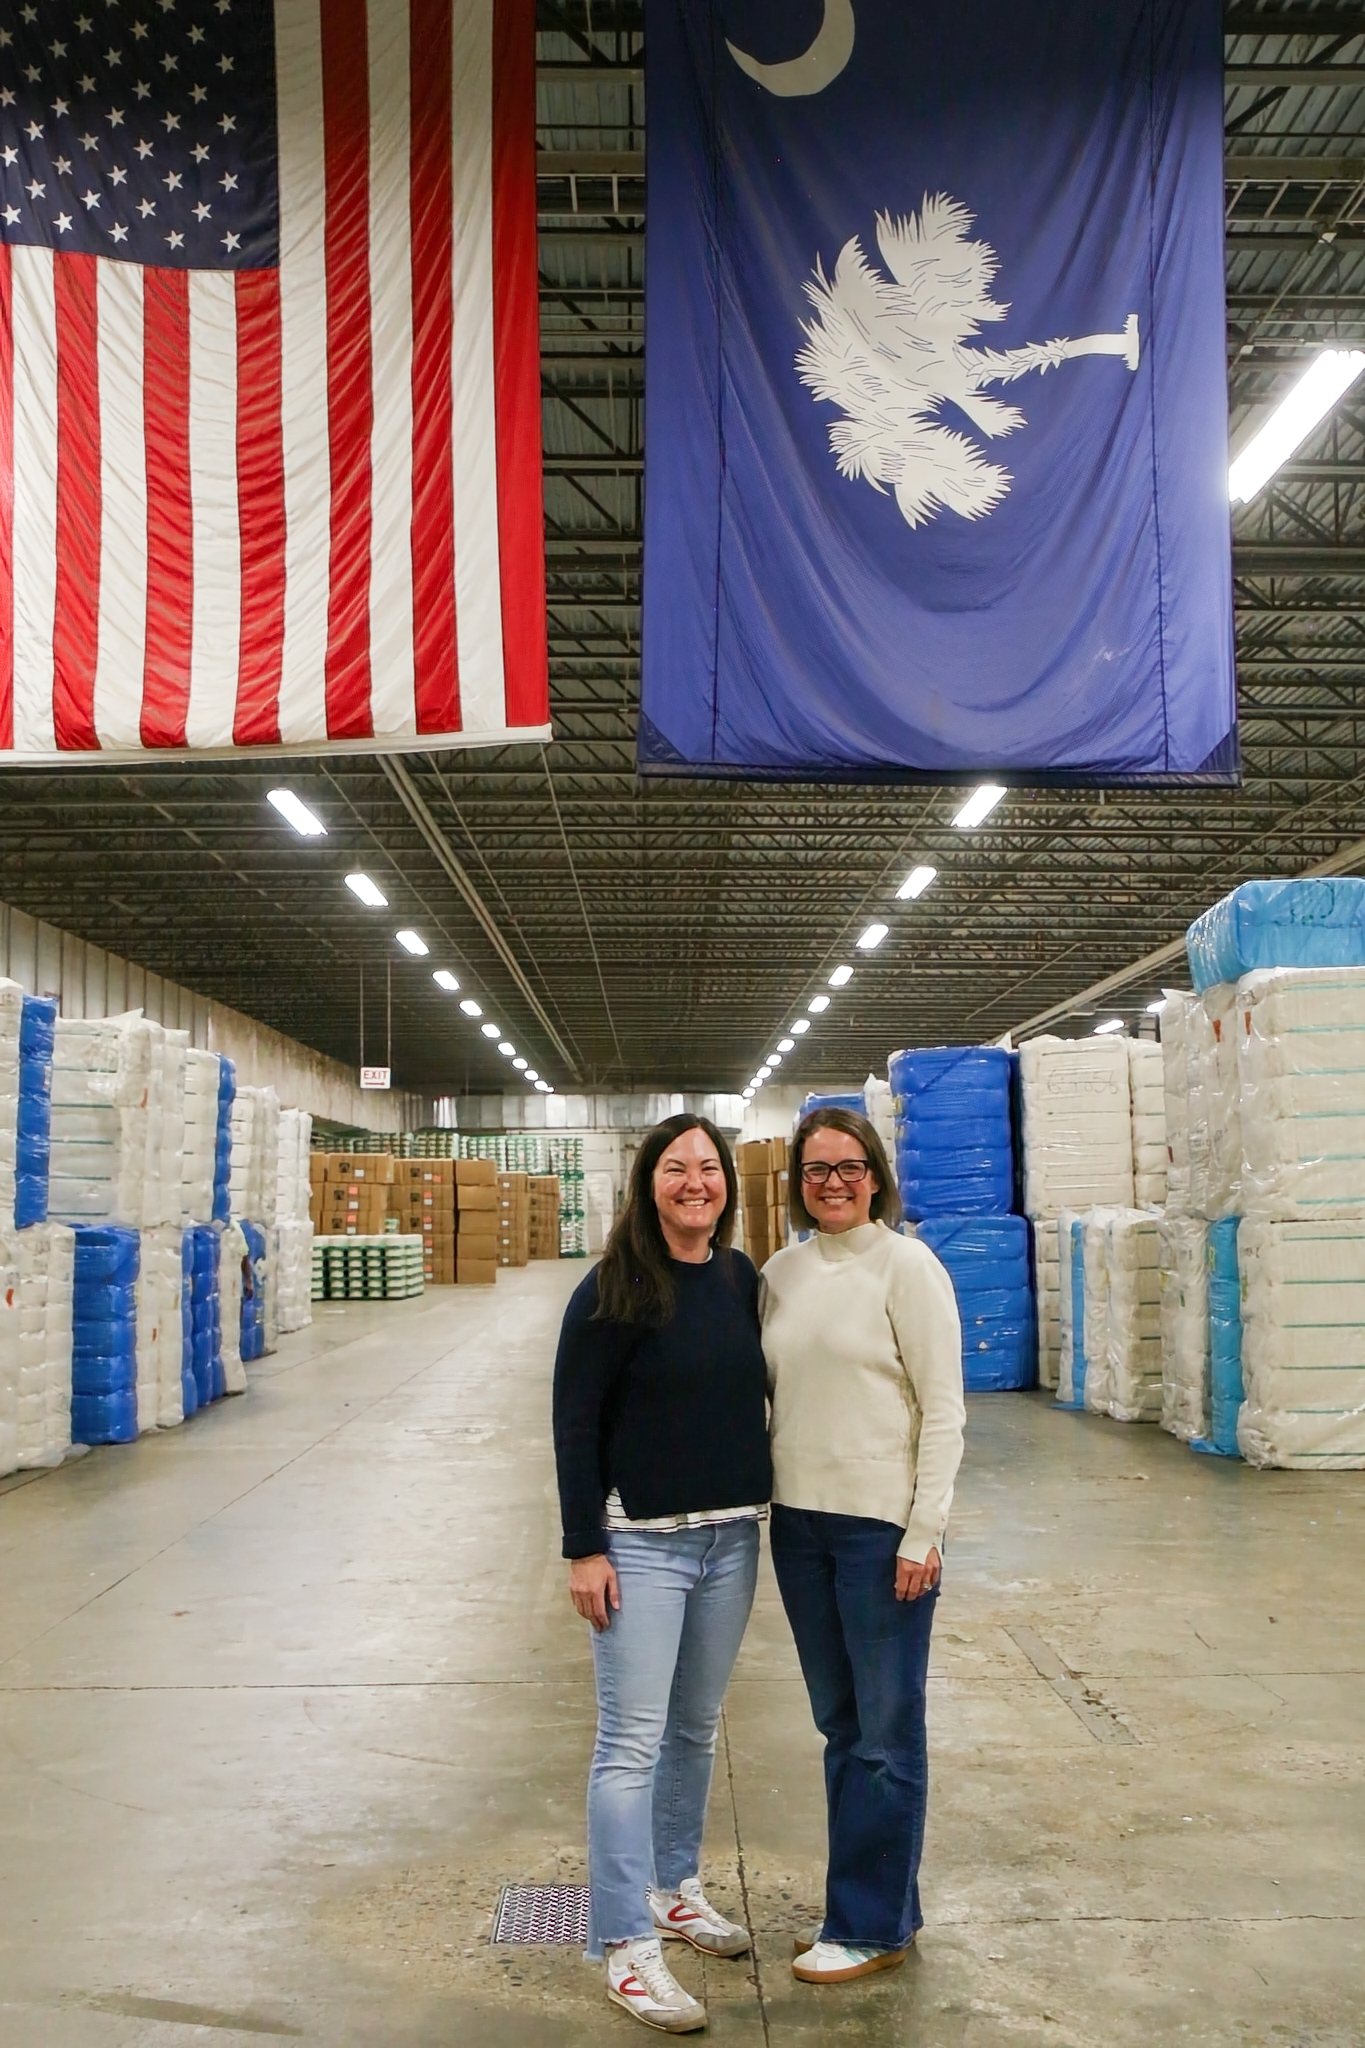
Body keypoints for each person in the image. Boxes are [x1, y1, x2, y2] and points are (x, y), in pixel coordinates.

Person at [553, 1114, 772, 2034]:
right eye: (675, 1167)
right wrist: (584, 1547)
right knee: (629, 1743)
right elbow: (574, 1423)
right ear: (648, 1183)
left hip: (731, 1539)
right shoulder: (611, 1288)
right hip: (640, 1545)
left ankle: (673, 1888)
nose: (695, 1182)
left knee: (693, 1727)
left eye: (708, 1167)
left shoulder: (739, 1278)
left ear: (726, 1183)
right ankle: (623, 1945)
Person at [760, 1106, 965, 1986]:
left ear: (875, 1176)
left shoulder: (906, 1266)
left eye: (848, 1167)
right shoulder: (779, 1274)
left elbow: (944, 1410)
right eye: (816, 1170)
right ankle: (870, 1910)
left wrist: (924, 1532)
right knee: (841, 1727)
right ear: (798, 1184)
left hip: (879, 1531)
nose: (833, 1183)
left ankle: (869, 1925)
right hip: (797, 1526)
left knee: (884, 1733)